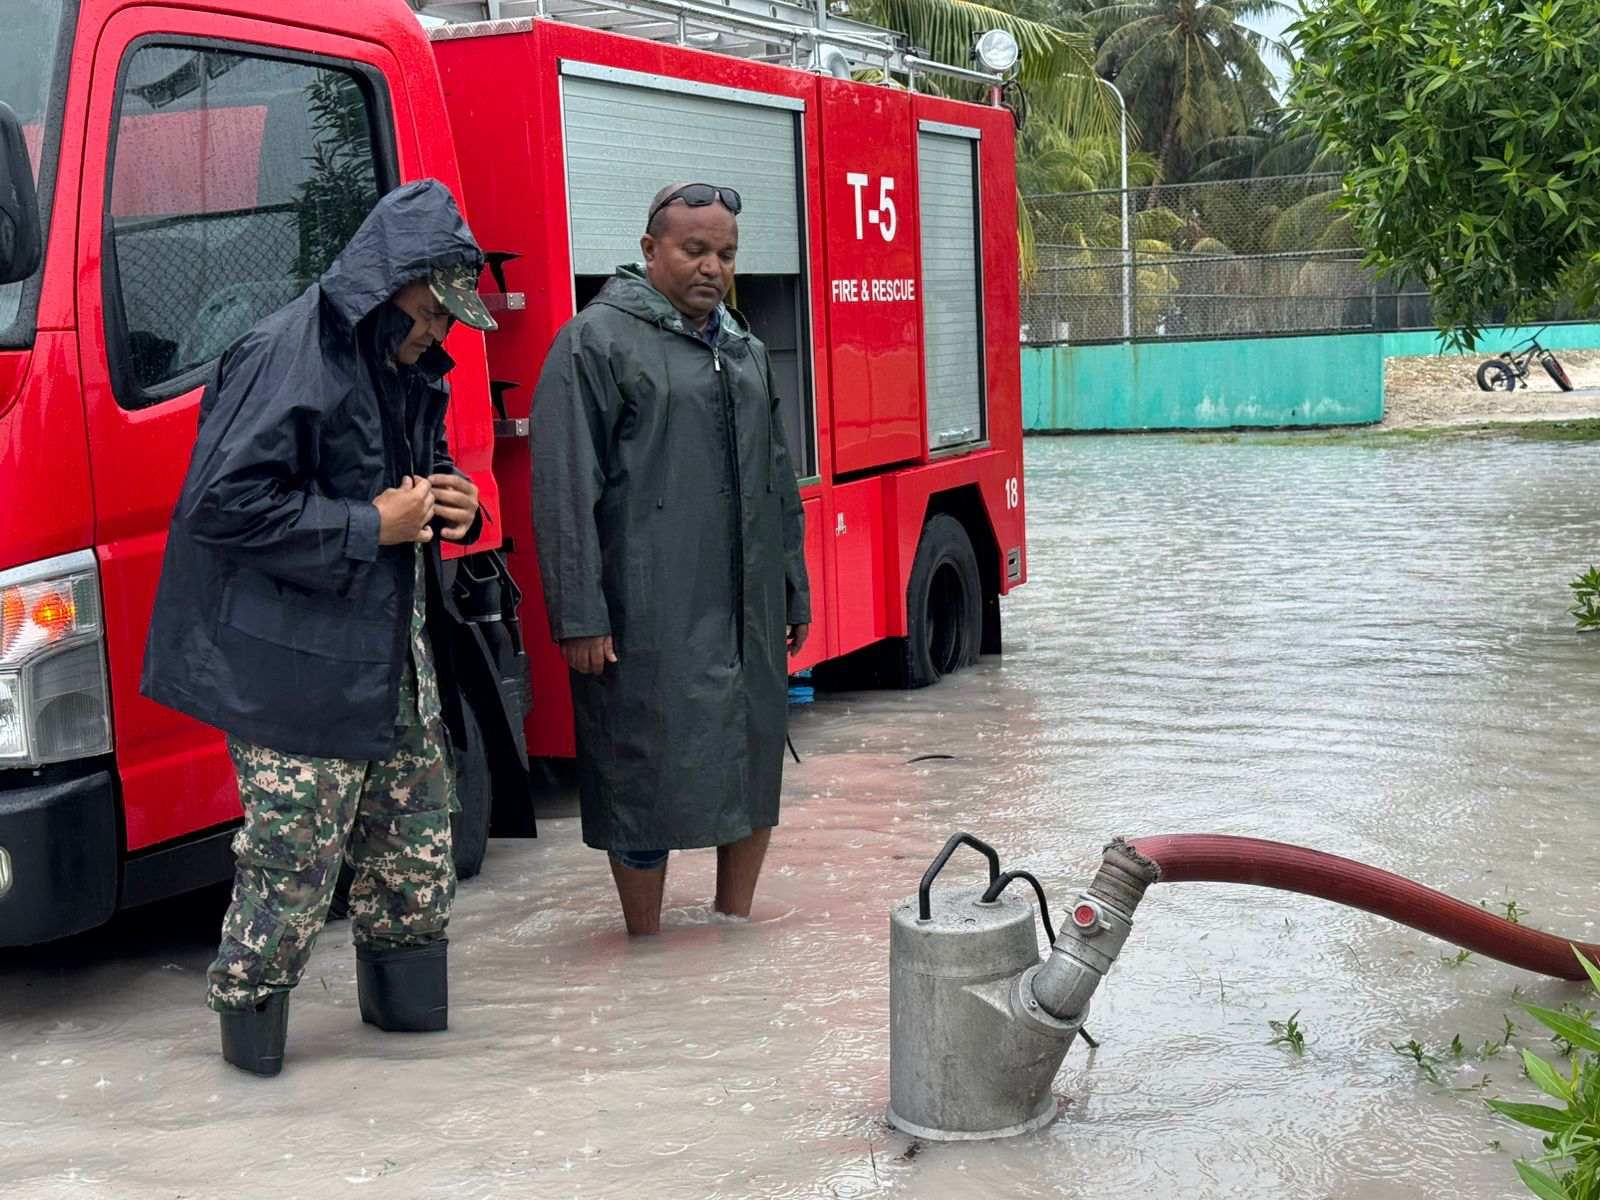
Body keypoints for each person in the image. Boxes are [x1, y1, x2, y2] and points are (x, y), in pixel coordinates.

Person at [141, 179, 500, 1076]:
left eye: (447, 321)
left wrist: (457, 504)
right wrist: (363, 527)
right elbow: (219, 507)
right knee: (290, 866)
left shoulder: (410, 364)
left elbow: (415, 476)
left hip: (394, 659)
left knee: (419, 854)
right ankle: (251, 1044)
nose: (437, 334)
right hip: (292, 671)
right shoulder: (286, 354)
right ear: (387, 284)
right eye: (427, 314)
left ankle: (410, 1044)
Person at [531, 181, 811, 935]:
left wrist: (792, 584)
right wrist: (579, 613)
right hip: (643, 604)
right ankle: (643, 944)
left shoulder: (744, 349)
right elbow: (563, 489)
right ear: (650, 250)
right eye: (694, 250)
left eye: (725, 254)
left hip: (744, 603)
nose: (712, 268)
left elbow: (777, 476)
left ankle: (735, 928)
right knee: (639, 765)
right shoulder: (596, 342)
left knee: (753, 759)